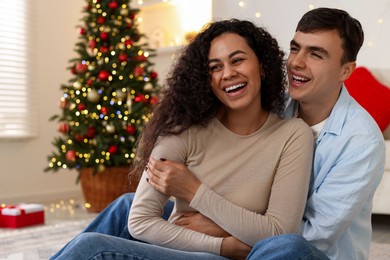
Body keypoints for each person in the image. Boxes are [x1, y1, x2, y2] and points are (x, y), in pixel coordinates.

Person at [51, 19, 314, 259]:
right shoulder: (184, 129)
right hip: (193, 250)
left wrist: (193, 191)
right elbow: (141, 221)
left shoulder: (292, 135)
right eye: (215, 67)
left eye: (237, 60)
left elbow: (280, 234)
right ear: (206, 79)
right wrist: (222, 244)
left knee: (93, 247)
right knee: (105, 229)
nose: (228, 73)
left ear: (263, 66)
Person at [247, 7, 385, 260]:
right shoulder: (275, 107)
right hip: (250, 237)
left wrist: (224, 236)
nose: (296, 63)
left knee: (288, 247)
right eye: (295, 48)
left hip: (310, 254)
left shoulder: (362, 142)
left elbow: (314, 236)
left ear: (346, 71)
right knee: (165, 212)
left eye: (316, 54)